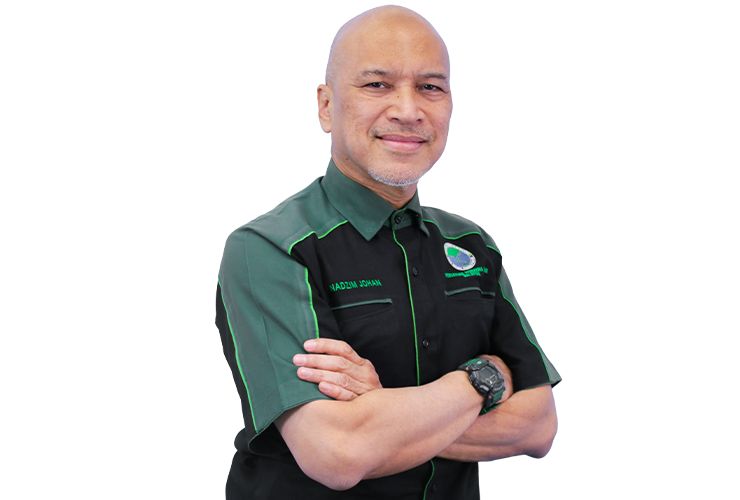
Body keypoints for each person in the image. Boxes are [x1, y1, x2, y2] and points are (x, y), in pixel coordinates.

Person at [215, 5, 561, 499]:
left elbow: (537, 426)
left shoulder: (471, 246)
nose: (408, 109)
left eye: (430, 87)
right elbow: (337, 452)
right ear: (327, 106)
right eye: (377, 84)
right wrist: (484, 377)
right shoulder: (270, 249)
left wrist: (382, 410)